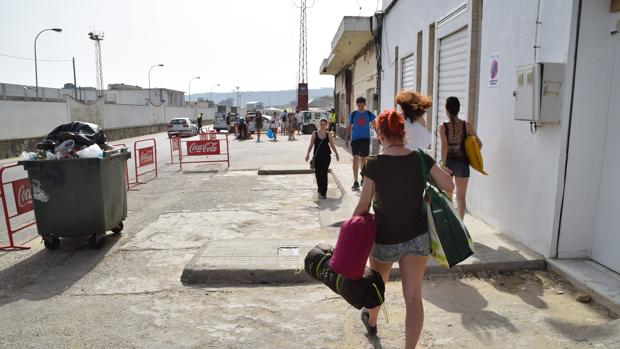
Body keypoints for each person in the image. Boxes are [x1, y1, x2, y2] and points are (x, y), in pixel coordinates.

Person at [352, 109, 454, 348]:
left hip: (384, 238)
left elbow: (363, 205)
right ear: (402, 131)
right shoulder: (420, 157)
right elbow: (448, 185)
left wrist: (350, 230)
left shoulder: (375, 164)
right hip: (416, 238)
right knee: (413, 298)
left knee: (377, 289)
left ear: (380, 134)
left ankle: (372, 320)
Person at [439, 96, 482, 219]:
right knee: (461, 198)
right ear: (458, 110)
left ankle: (451, 224)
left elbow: (444, 148)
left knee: (448, 197)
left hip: (448, 165)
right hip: (463, 164)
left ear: (447, 110)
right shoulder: (467, 125)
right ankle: (461, 226)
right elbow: (479, 144)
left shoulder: (442, 127)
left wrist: (442, 164)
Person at [345, 97, 376, 191]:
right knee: (355, 159)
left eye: (362, 105)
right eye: (359, 106)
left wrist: (380, 136)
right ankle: (355, 182)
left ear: (365, 104)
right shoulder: (353, 114)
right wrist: (346, 138)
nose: (360, 107)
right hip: (355, 140)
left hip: (365, 139)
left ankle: (363, 177)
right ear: (357, 105)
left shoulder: (369, 114)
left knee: (364, 160)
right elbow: (349, 126)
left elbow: (375, 126)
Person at [305, 118, 340, 199]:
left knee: (324, 173)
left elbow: (332, 145)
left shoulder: (329, 134)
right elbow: (311, 145)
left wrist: (337, 154)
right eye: (321, 124)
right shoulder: (314, 133)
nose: (322, 126)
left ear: (326, 125)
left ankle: (324, 192)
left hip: (326, 156)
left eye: (324, 124)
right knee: (318, 173)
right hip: (317, 157)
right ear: (319, 124)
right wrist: (307, 154)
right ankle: (320, 189)